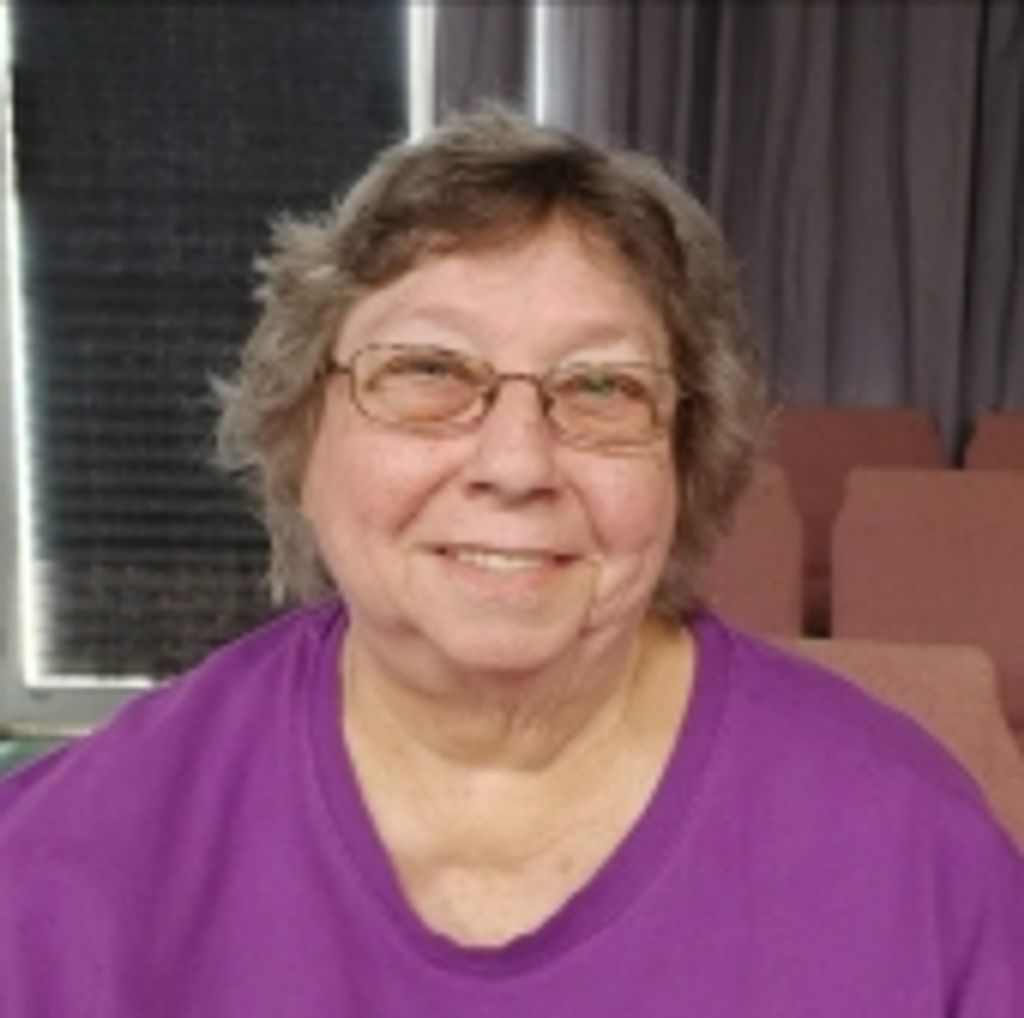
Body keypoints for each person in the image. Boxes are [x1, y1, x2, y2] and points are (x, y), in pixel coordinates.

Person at [1, 106, 1021, 1017]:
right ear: (302, 431)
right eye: (427, 370)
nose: (517, 463)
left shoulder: (911, 851)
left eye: (602, 388)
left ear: (686, 458)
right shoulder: (55, 860)